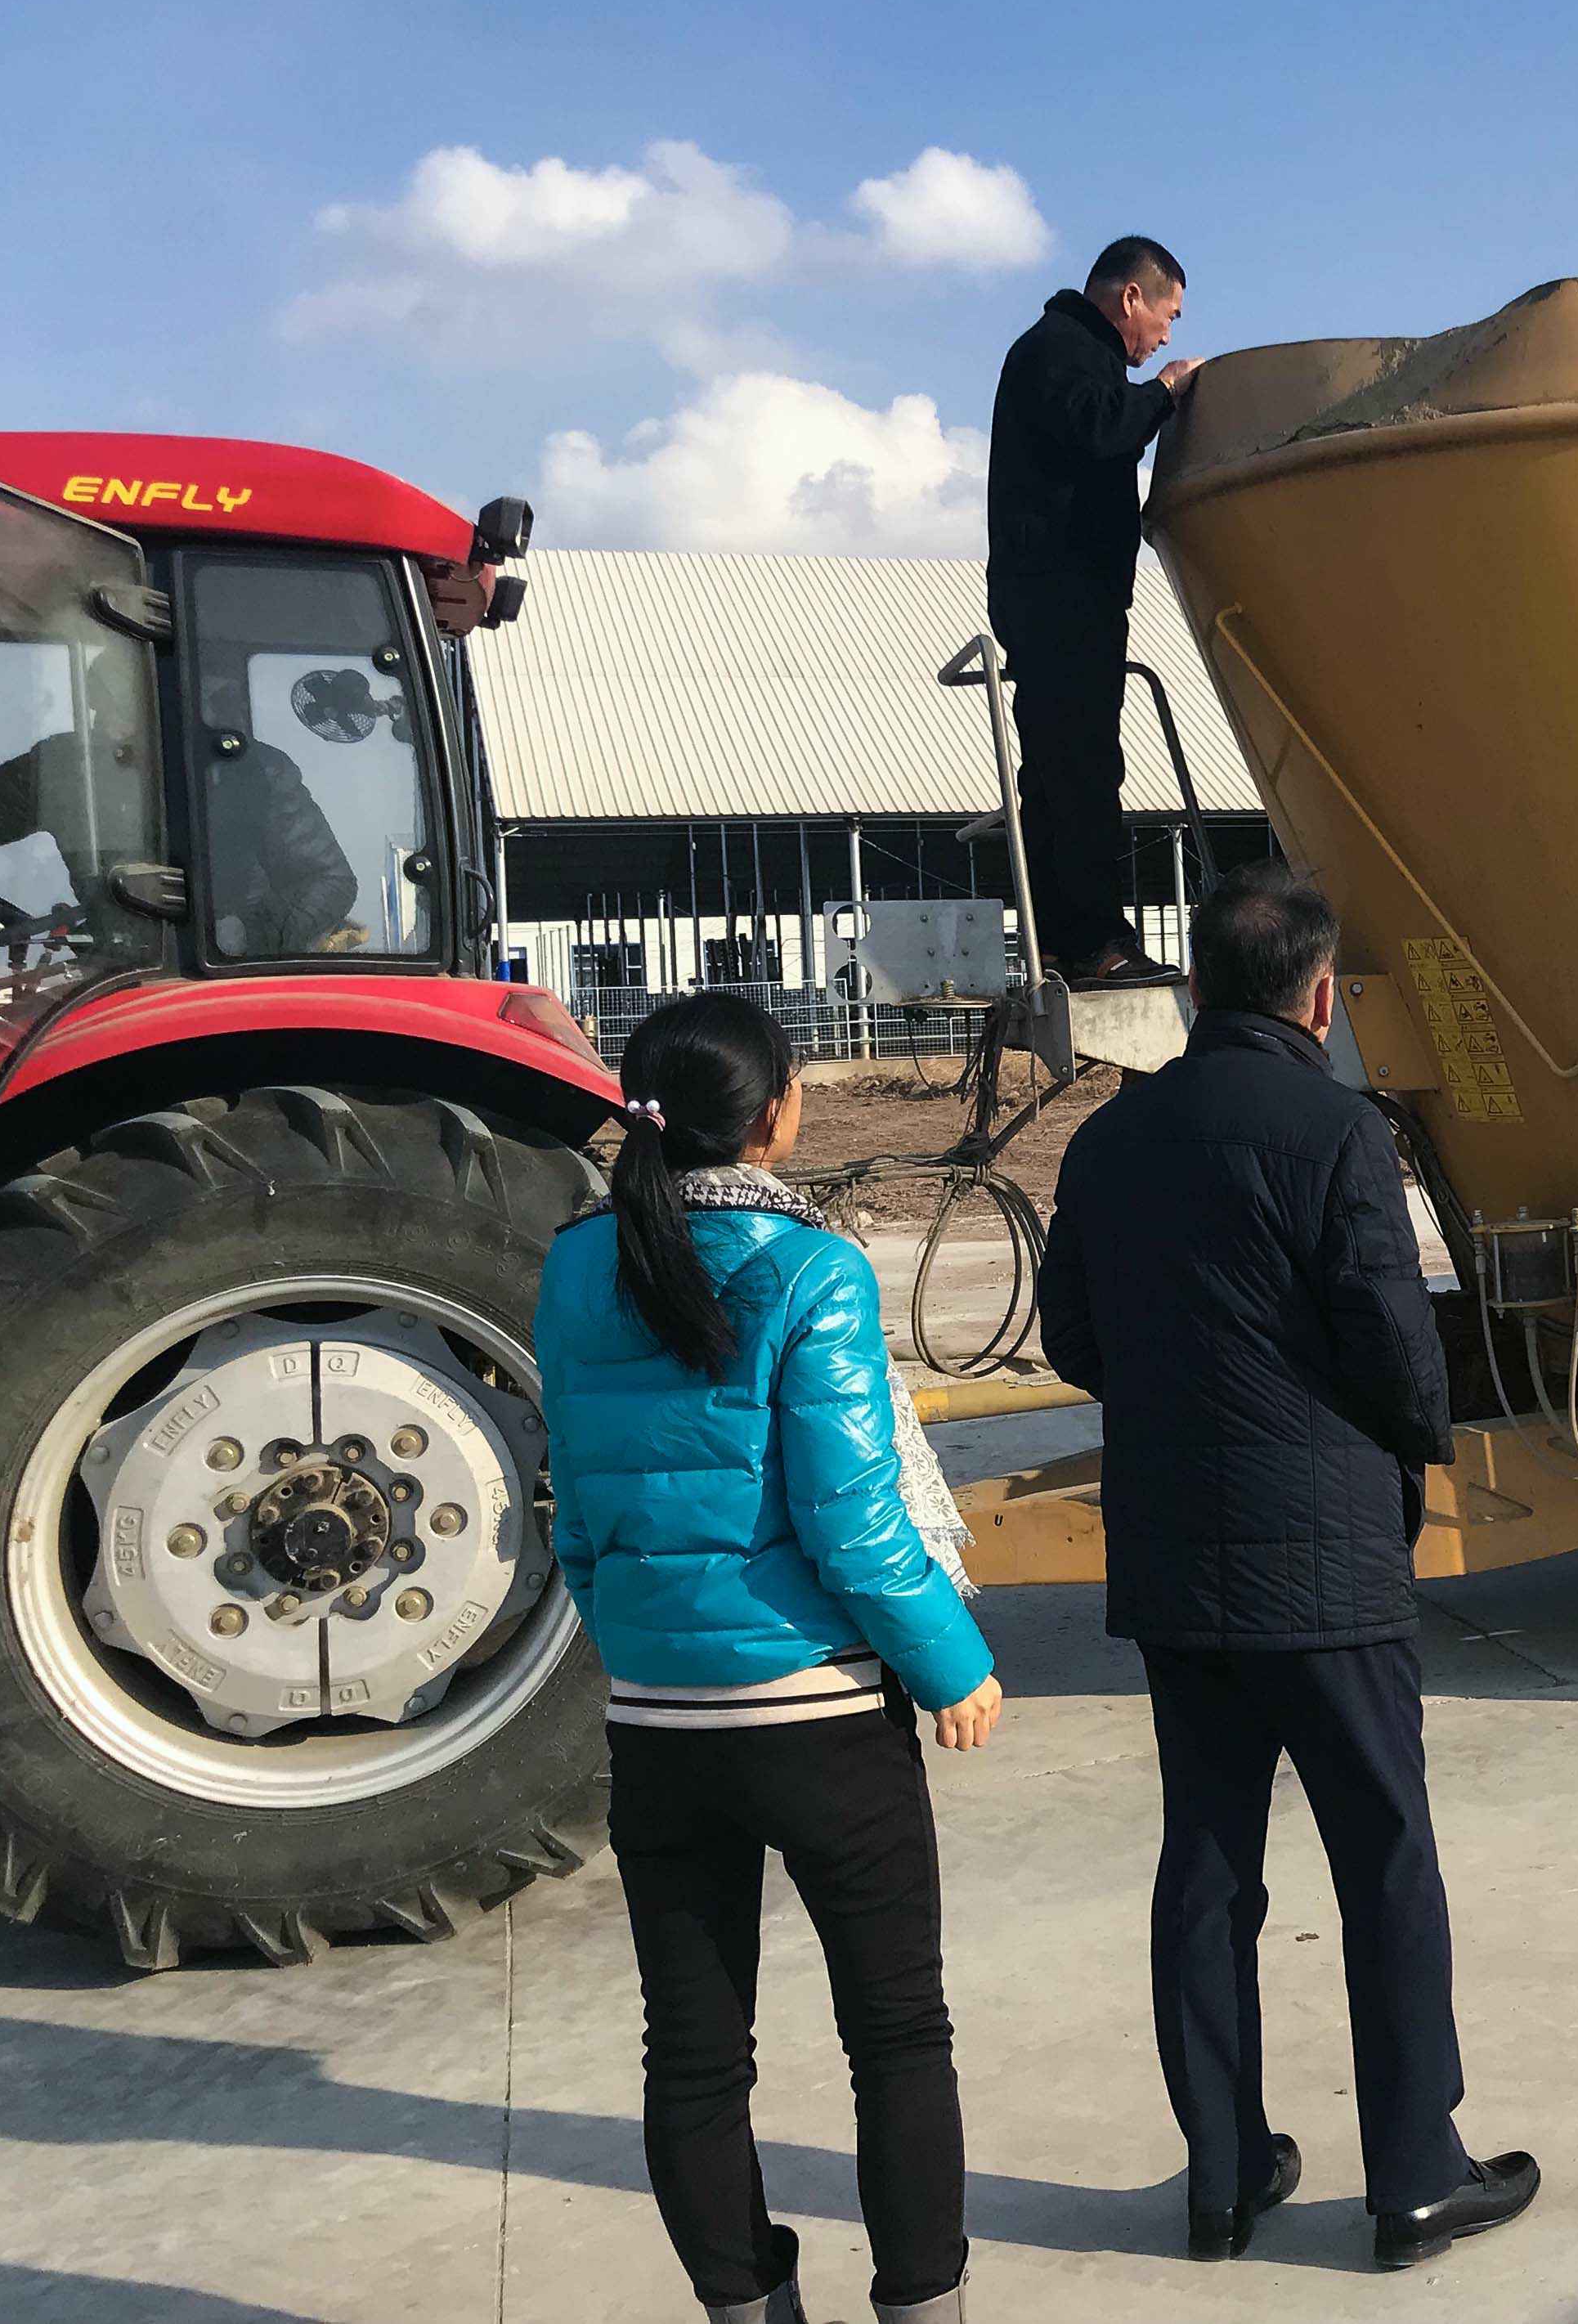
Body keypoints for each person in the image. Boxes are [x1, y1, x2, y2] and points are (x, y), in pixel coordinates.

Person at [1039, 859, 1541, 2272]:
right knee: (1383, 1859)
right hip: (1328, 1570)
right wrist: (1410, 1443)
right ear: (1321, 999)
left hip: (1177, 1564)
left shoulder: (1109, 1141)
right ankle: (1415, 2179)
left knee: (1207, 1864)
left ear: (1196, 987)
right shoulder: (1336, 1133)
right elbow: (1394, 1341)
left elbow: (1073, 1336)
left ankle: (1223, 2175)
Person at [538, 992, 1005, 2324]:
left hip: (658, 1726)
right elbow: (853, 1521)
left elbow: (576, 1506)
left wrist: (636, 1642)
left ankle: (746, 2310)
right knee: (898, 2035)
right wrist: (951, 1664)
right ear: (779, 1111)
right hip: (820, 1720)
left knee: (694, 2055)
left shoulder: (576, 1264)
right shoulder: (813, 1270)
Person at [985, 234, 1206, 991]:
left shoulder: (1059, 352)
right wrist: (1166, 392)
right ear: (1131, 297)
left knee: (1057, 773)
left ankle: (1058, 941)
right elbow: (1102, 427)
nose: (1166, 337)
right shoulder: (1063, 350)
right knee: (1083, 771)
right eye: (1168, 316)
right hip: (1065, 599)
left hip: (1053, 597)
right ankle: (1095, 942)